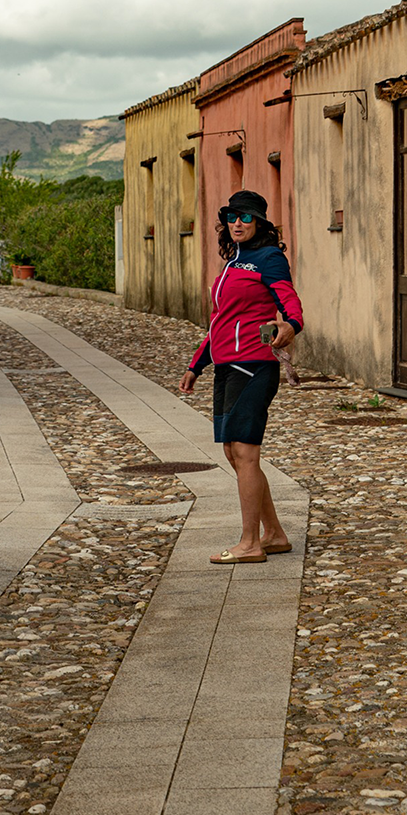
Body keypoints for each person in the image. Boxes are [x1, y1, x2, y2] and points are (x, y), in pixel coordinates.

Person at [179, 189, 304, 563]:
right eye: (232, 216)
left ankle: (250, 544)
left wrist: (292, 326)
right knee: (234, 452)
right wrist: (196, 364)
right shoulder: (234, 261)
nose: (237, 223)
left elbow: (289, 300)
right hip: (226, 366)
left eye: (246, 217)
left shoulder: (269, 258)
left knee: (246, 452)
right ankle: (274, 534)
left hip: (254, 364)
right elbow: (221, 321)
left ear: (260, 223)